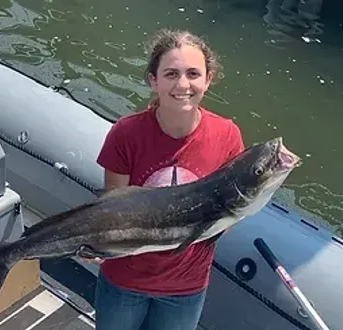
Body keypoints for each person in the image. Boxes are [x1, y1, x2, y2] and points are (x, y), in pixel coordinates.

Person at [93, 28, 245, 330]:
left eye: (193, 73)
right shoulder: (126, 133)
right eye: (171, 74)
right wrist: (97, 243)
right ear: (154, 81)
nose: (183, 84)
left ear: (208, 79)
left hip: (186, 288)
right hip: (125, 280)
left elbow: (230, 215)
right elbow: (112, 208)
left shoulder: (227, 135)